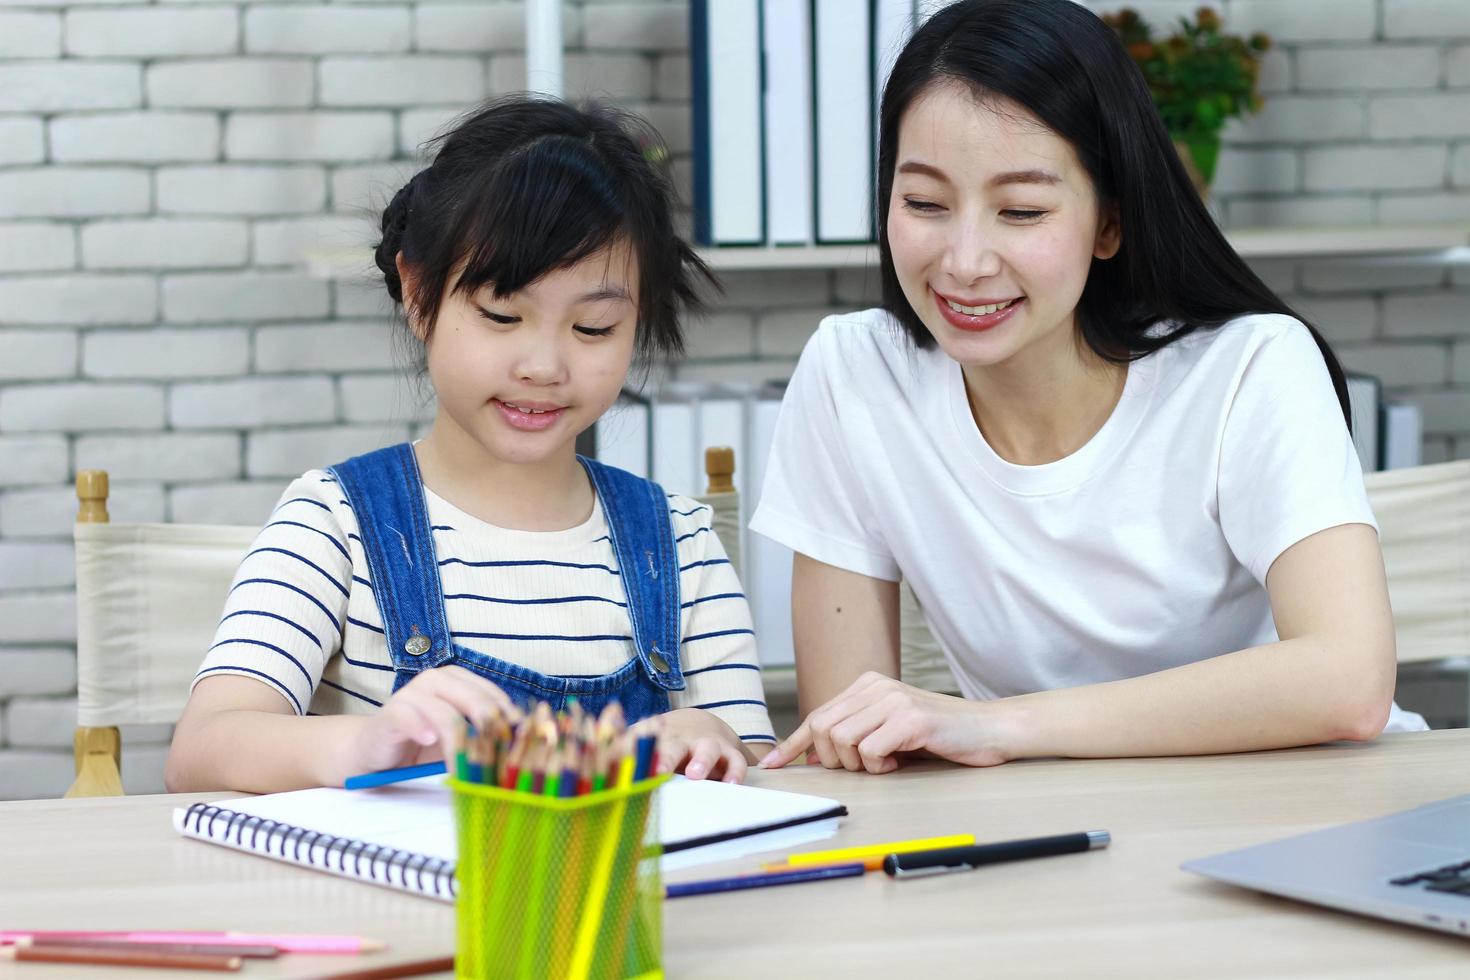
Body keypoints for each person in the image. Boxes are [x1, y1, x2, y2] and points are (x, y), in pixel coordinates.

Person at [754, 0, 1424, 776]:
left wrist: (999, 726)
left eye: (1022, 210)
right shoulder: (854, 373)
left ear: (1109, 222)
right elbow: (852, 738)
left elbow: (1348, 683)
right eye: (925, 203)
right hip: (1057, 830)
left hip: (1307, 799)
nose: (965, 261)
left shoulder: (1249, 366)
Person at [167, 96, 775, 795]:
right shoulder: (335, 523)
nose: (544, 365)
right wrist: (363, 743)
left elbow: (757, 769)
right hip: (397, 903)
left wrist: (718, 742)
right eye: (502, 315)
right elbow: (203, 749)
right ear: (420, 296)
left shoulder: (681, 542)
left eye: (594, 328)